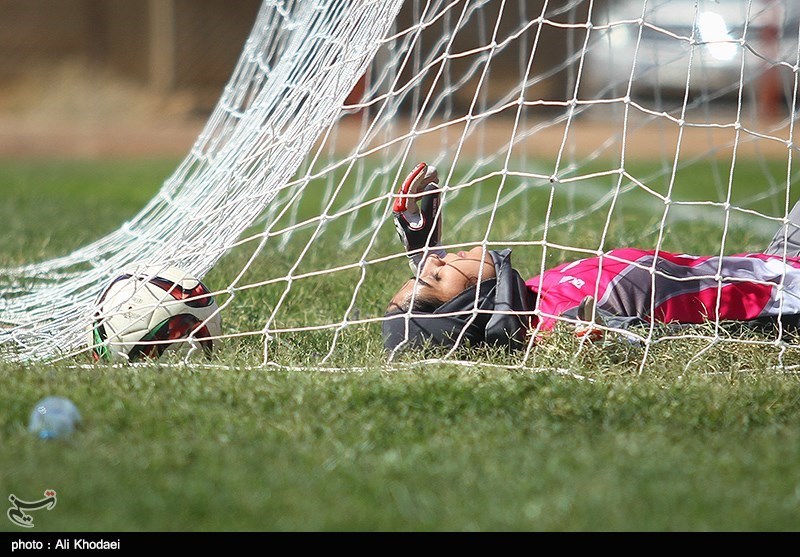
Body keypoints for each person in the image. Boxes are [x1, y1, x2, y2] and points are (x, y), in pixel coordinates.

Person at [383, 162, 800, 351]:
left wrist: (424, 246)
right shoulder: (567, 323)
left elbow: (445, 316)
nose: (434, 263)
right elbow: (632, 338)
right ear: (467, 306)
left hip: (779, 260)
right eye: (433, 276)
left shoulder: (531, 299)